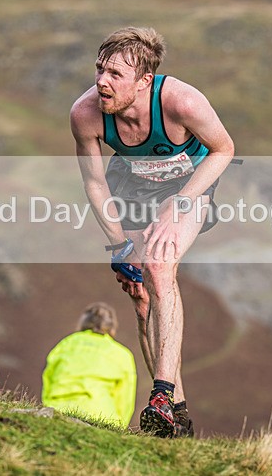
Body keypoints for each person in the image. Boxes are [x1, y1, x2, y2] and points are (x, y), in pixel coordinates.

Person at [70, 26, 234, 437]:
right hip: (133, 183)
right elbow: (94, 183)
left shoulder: (181, 101)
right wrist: (118, 245)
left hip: (189, 183)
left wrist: (180, 206)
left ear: (145, 81)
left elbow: (224, 149)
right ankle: (175, 411)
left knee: (161, 266)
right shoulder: (86, 114)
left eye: (115, 75)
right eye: (99, 70)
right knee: (140, 294)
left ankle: (159, 395)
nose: (102, 82)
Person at [42, 302, 137, 428]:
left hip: (59, 410)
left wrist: (48, 405)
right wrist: (119, 426)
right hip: (102, 415)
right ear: (112, 327)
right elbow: (125, 400)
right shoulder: (122, 354)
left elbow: (48, 379)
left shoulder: (65, 344)